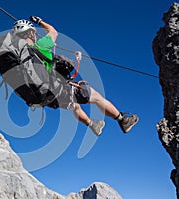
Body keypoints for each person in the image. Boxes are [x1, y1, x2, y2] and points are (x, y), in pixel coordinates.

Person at [11, 16, 139, 136]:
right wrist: (40, 22)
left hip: (43, 98)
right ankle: (122, 120)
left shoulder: (18, 57)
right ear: (32, 33)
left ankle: (92, 124)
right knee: (96, 97)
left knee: (75, 105)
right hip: (54, 90)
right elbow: (53, 32)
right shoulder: (40, 45)